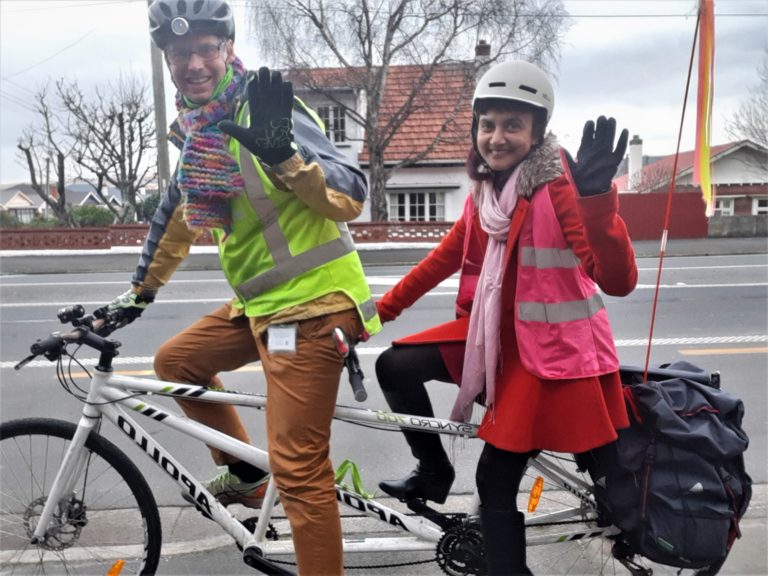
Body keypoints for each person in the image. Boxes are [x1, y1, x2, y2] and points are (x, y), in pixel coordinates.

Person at [105, 1, 381, 573]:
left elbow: (351, 194)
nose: (195, 63)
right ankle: (251, 479)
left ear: (228, 49)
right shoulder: (197, 131)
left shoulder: (264, 105)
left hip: (315, 305)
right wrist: (137, 296)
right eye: (181, 53)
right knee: (176, 362)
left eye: (207, 48)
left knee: (301, 468)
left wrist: (286, 157)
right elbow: (176, 217)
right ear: (168, 60)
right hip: (263, 304)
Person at [375, 60, 637, 574]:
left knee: (495, 478)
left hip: (551, 354)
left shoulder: (558, 182)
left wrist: (596, 201)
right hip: (495, 339)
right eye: (487, 124)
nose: (496, 137)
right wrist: (372, 316)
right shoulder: (486, 191)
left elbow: (617, 278)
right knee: (394, 367)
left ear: (536, 131)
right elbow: (441, 261)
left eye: (512, 125)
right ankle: (433, 473)